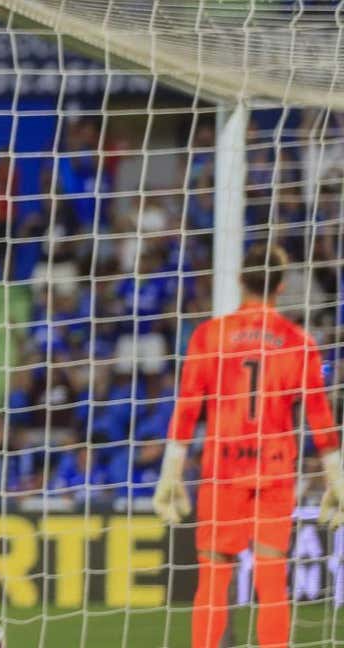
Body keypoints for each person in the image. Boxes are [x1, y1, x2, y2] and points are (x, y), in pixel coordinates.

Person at [154, 243, 344, 648]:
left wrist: (169, 476)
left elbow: (187, 410)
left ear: (241, 280)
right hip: (274, 470)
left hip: (222, 469)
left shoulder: (209, 335)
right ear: (280, 287)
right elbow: (320, 419)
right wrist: (337, 481)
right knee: (272, 580)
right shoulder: (299, 342)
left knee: (213, 578)